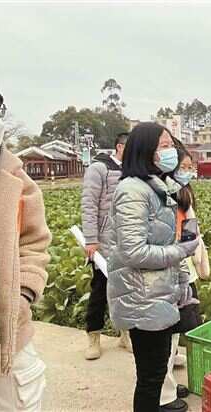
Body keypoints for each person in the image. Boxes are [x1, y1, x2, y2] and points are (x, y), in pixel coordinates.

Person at [106, 122, 199, 412]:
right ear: (145, 150)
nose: (172, 152)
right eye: (165, 146)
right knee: (150, 378)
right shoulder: (133, 191)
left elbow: (164, 238)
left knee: (156, 374)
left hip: (156, 293)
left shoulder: (156, 187)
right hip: (141, 296)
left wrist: (182, 279)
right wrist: (181, 251)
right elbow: (134, 251)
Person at [0, 72, 51, 411]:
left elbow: (34, 241)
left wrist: (23, 294)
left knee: (21, 402)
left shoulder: (14, 176)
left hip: (10, 329)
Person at [160, 149, 210, 412]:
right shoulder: (164, 196)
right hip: (171, 273)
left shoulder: (182, 194)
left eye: (191, 166)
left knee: (175, 334)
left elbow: (189, 234)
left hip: (183, 272)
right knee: (167, 338)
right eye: (184, 166)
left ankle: (167, 383)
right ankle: (163, 395)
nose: (188, 171)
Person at [81, 132, 131, 360]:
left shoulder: (133, 170)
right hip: (103, 243)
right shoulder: (98, 168)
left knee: (128, 291)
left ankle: (125, 335)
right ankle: (93, 337)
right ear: (120, 147)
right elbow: (89, 204)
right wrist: (91, 239)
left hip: (128, 242)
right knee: (100, 291)